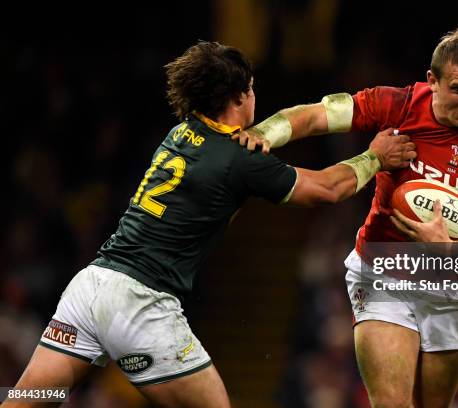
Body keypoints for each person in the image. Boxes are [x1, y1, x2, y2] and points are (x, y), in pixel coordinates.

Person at [2, 41, 416, 408]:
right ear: (238, 96)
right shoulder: (240, 160)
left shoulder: (179, 134)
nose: (256, 96)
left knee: (30, 399)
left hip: (91, 288)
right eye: (252, 89)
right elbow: (328, 188)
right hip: (142, 306)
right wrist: (374, 156)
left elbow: (218, 180)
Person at [234, 28, 458, 407]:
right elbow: (312, 116)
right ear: (433, 81)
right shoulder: (398, 105)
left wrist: (453, 249)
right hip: (384, 271)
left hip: (452, 285)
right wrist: (263, 133)